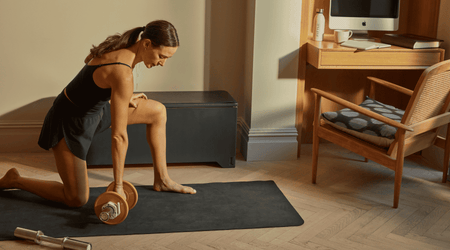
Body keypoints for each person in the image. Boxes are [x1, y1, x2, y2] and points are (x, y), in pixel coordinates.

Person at [0, 20, 196, 207]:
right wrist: (118, 187)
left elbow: (95, 84)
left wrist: (124, 97)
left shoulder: (126, 49)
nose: (162, 63)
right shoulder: (122, 71)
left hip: (97, 112)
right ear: (146, 43)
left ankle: (162, 180)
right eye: (162, 56)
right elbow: (119, 136)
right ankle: (15, 179)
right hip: (70, 122)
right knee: (76, 198)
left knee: (158, 112)